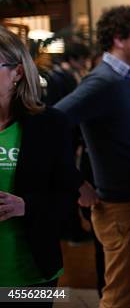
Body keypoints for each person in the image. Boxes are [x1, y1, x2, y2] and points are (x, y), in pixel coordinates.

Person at [55, 5, 130, 308]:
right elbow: (48, 126)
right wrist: (76, 182)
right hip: (121, 209)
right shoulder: (102, 81)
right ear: (119, 39)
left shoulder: (125, 79)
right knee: (120, 298)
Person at [0, 26, 81, 304]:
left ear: (18, 73)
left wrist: (25, 206)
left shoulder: (49, 124)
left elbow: (68, 196)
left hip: (32, 273)